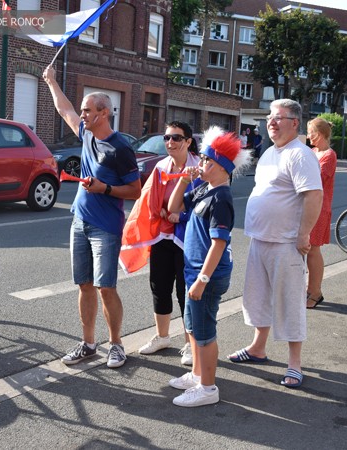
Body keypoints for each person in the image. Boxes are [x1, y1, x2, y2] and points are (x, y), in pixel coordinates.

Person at [43, 65, 142, 369]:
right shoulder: (86, 134)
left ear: (103, 113)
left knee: (106, 287)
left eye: (88, 110)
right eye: (84, 110)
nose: (83, 115)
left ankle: (116, 345)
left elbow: (135, 190)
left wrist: (105, 188)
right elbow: (65, 110)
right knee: (84, 285)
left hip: (106, 227)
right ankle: (88, 344)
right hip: (79, 221)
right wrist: (51, 81)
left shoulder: (121, 148)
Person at [228, 99, 323, 389]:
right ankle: (258, 347)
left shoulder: (300, 154)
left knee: (289, 302)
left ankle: (295, 363)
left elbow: (313, 195)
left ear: (295, 122)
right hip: (261, 237)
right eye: (270, 117)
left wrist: (304, 234)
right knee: (258, 297)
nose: (271, 122)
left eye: (278, 117)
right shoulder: (270, 152)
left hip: (285, 242)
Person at [166, 126, 248, 407]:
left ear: (222, 168)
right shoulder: (204, 189)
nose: (200, 165)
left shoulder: (221, 198)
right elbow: (172, 209)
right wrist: (182, 180)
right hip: (195, 270)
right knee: (192, 325)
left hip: (207, 274)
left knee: (203, 332)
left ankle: (208, 388)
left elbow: (219, 244)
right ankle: (197, 374)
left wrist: (202, 279)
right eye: (201, 159)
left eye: (206, 161)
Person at [136, 121, 201, 366]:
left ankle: (189, 344)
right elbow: (149, 199)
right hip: (163, 235)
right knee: (159, 286)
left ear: (188, 142)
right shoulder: (161, 166)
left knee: (186, 291)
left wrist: (181, 216)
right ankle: (162, 337)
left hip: (188, 239)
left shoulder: (199, 167)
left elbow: (205, 203)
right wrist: (161, 213)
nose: (170, 142)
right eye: (167, 138)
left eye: (175, 138)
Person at [305, 118, 336, 309]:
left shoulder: (329, 155)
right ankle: (310, 289)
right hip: (308, 206)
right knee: (307, 250)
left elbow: (315, 177)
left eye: (311, 132)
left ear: (321, 133)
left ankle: (315, 292)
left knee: (313, 250)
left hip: (318, 207)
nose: (308, 136)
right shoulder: (313, 152)